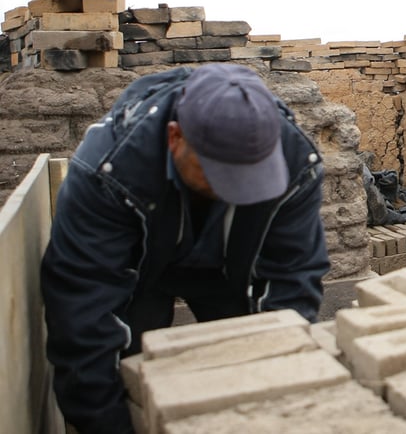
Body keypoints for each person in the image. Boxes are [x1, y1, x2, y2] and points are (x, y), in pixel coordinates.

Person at [40, 63, 330, 434]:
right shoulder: (107, 173)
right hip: (140, 265)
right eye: (222, 175)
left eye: (251, 178)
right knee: (130, 368)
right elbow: (81, 318)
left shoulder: (294, 164)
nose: (238, 189)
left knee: (253, 354)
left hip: (226, 267)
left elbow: (293, 278)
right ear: (175, 138)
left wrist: (284, 389)